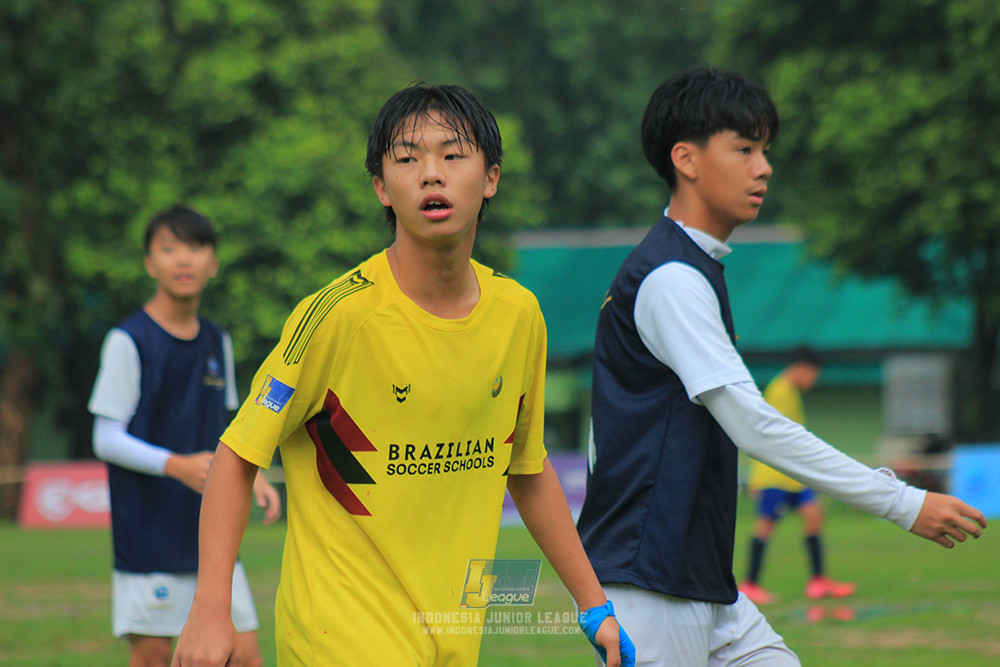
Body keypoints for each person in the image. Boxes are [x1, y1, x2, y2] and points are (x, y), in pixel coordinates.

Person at [172, 84, 634, 666]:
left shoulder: (519, 316)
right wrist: (210, 607)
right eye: (407, 158)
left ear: (491, 177)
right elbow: (238, 455)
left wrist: (593, 606)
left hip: (452, 635)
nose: (430, 174)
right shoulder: (339, 316)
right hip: (337, 633)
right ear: (381, 188)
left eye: (453, 154)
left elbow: (528, 467)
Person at [575, 66, 986, 666]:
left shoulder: (691, 267)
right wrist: (901, 501)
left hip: (703, 585)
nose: (763, 167)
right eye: (744, 149)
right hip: (650, 586)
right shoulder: (670, 279)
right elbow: (752, 423)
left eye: (765, 150)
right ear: (685, 159)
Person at [89, 206, 282, 667]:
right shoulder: (128, 340)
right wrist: (173, 464)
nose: (183, 260)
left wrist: (249, 474)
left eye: (195, 248)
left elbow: (227, 429)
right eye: (169, 248)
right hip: (150, 537)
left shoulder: (219, 341)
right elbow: (106, 438)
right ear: (149, 263)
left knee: (246, 657)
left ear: (213, 263)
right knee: (158, 658)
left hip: (211, 539)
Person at [739, 347, 856, 605]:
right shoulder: (779, 390)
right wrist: (758, 478)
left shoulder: (789, 391)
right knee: (766, 526)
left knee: (814, 516)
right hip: (775, 475)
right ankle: (749, 584)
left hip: (793, 475)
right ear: (803, 368)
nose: (813, 381)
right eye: (814, 374)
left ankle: (818, 581)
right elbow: (772, 435)